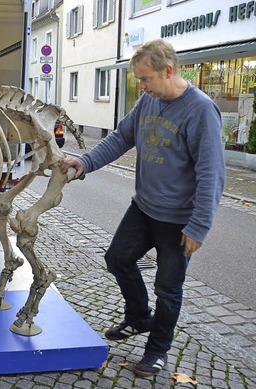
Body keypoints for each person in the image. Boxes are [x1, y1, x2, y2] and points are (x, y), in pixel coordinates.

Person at [60, 39, 225, 377]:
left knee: (168, 287)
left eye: (146, 79)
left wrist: (199, 225)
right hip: (144, 208)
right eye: (138, 79)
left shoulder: (200, 110)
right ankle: (138, 319)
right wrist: (85, 161)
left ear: (168, 71)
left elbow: (212, 173)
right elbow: (121, 138)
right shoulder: (149, 102)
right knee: (117, 258)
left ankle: (158, 349)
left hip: (179, 220)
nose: (142, 86)